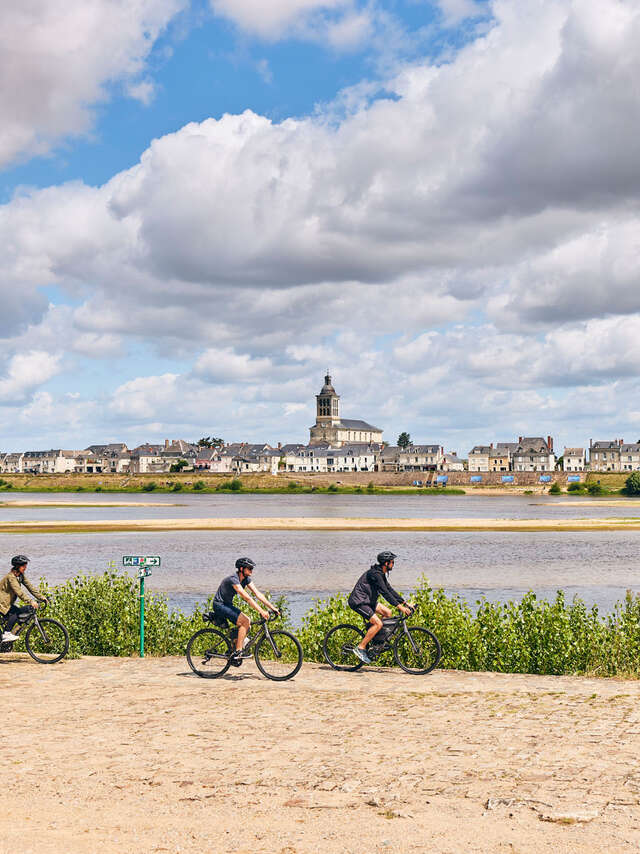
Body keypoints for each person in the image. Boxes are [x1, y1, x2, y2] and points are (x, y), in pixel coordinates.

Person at [347, 550, 413, 664]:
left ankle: (375, 640)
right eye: (392, 562)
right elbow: (385, 593)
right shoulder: (375, 574)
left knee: (388, 613)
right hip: (359, 601)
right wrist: (400, 608)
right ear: (386, 563)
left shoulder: (381, 574)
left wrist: (405, 603)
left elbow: (389, 590)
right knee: (378, 623)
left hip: (368, 601)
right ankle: (361, 647)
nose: (393, 564)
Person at [212, 558, 280, 666]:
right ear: (241, 569)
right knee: (246, 621)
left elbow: (257, 594)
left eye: (252, 568)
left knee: (247, 625)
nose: (252, 571)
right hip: (219, 605)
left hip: (227, 605)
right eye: (250, 568)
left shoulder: (246, 579)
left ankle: (233, 647)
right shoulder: (233, 579)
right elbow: (247, 598)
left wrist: (273, 608)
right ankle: (238, 652)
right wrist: (261, 611)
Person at [0, 555, 47, 643]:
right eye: (23, 566)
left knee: (25, 610)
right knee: (15, 613)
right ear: (17, 566)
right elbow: (19, 592)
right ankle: (6, 634)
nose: (25, 567)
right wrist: (31, 601)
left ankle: (9, 637)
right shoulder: (11, 577)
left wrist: (41, 597)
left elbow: (30, 587)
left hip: (6, 603)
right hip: (2, 604)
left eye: (25, 565)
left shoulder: (20, 575)